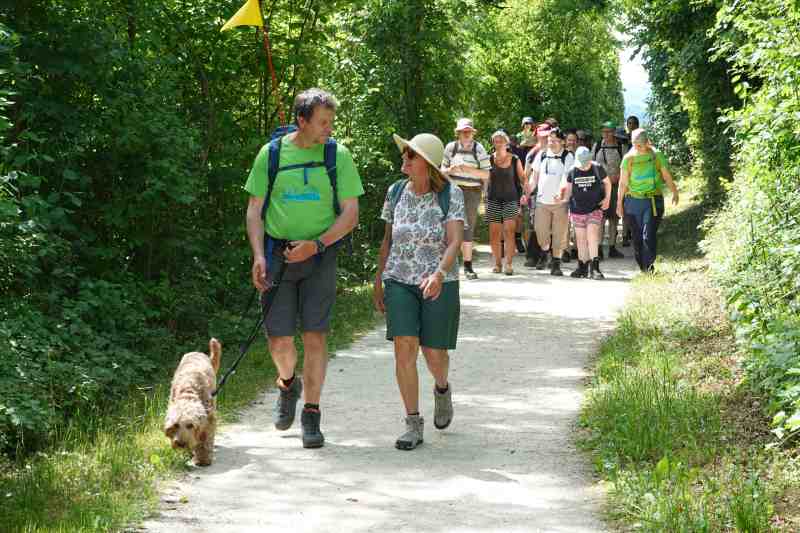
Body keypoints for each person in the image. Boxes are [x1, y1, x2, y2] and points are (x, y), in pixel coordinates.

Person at [245, 88, 364, 449]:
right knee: (279, 340)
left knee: (315, 336)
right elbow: (254, 210)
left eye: (331, 121)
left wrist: (318, 244)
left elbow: (351, 213)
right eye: (323, 122)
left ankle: (311, 414)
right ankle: (287, 384)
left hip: (320, 257)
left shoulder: (336, 155)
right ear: (302, 120)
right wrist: (258, 255)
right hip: (278, 256)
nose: (329, 128)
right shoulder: (272, 154)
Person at [374, 132, 465, 451]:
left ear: (426, 163)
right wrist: (378, 279)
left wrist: (439, 274)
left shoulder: (450, 194)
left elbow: (454, 240)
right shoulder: (395, 192)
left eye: (410, 155)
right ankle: (413, 423)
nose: (404, 159)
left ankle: (442, 388)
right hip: (399, 278)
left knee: (433, 353)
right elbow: (387, 240)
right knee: (404, 346)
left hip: (439, 281)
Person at [617, 128, 679, 272]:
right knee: (637, 237)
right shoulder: (628, 159)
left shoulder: (656, 155)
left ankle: (649, 265)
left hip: (653, 200)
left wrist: (674, 192)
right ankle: (643, 267)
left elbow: (666, 175)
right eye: (634, 144)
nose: (636, 147)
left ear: (647, 143)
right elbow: (623, 183)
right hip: (633, 202)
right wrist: (619, 204)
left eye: (640, 145)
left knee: (649, 234)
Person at [441, 118, 490, 280]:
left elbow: (486, 174)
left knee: (467, 226)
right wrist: (451, 169)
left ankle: (468, 266)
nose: (466, 134)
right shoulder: (451, 147)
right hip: (453, 190)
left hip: (472, 191)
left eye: (469, 131)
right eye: (463, 132)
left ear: (473, 132)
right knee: (449, 225)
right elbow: (441, 172)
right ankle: (447, 265)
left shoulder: (479, 148)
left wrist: (467, 169)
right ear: (458, 133)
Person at [525, 127, 575, 276]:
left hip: (560, 203)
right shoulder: (541, 155)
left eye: (554, 141)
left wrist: (561, 193)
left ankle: (556, 263)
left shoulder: (568, 157)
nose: (551, 143)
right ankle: (545, 252)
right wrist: (527, 193)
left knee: (559, 235)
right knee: (541, 232)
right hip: (542, 201)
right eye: (549, 140)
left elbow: (567, 179)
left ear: (562, 142)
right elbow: (535, 178)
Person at [558, 146, 611, 279]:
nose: (583, 167)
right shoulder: (572, 171)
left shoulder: (597, 168)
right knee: (580, 239)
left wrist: (607, 200)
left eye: (585, 163)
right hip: (577, 210)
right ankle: (582, 266)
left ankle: (595, 268)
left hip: (594, 208)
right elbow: (569, 190)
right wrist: (562, 199)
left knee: (592, 236)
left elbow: (608, 183)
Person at [486, 130, 525, 275]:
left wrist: (525, 196)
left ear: (507, 142)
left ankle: (508, 264)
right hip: (493, 199)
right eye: (496, 141)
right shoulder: (489, 159)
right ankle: (497, 264)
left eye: (501, 140)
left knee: (509, 232)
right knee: (494, 234)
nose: (498, 143)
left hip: (511, 199)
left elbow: (522, 179)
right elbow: (486, 180)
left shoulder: (514, 159)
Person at [593, 120, 625, 259]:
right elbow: (592, 164)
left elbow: (625, 166)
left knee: (614, 218)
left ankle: (612, 247)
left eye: (608, 131)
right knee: (600, 218)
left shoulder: (621, 148)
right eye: (603, 131)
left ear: (614, 133)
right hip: (599, 187)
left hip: (616, 186)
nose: (605, 134)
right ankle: (598, 248)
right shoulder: (597, 146)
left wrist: (619, 177)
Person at [522, 123, 550, 267]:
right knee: (535, 225)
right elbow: (526, 175)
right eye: (542, 135)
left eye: (547, 135)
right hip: (536, 194)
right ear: (537, 135)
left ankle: (548, 256)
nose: (544, 138)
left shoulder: (558, 151)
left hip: (553, 195)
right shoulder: (532, 154)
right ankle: (533, 255)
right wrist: (526, 193)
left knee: (551, 226)